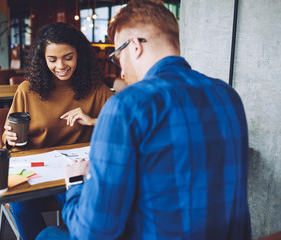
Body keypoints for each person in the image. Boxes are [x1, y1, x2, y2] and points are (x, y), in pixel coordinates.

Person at [36, 0, 251, 239]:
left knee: (47, 235)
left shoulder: (127, 106)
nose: (121, 72)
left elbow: (93, 232)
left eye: (117, 57)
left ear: (135, 46)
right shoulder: (228, 97)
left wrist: (76, 182)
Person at [3, 22, 114, 240]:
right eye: (52, 60)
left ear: (79, 55)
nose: (61, 65)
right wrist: (9, 138)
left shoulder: (98, 89)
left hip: (76, 170)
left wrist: (93, 121)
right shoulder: (27, 90)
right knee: (21, 201)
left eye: (68, 57)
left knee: (82, 210)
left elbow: (121, 131)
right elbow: (10, 141)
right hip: (35, 170)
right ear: (43, 60)